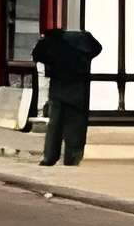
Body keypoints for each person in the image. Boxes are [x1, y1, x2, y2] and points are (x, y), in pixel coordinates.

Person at [32, 23, 101, 167]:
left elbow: (37, 54)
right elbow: (98, 48)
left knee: (55, 125)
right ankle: (73, 157)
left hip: (58, 87)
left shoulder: (54, 41)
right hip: (79, 89)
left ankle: (50, 157)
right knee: (76, 125)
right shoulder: (86, 42)